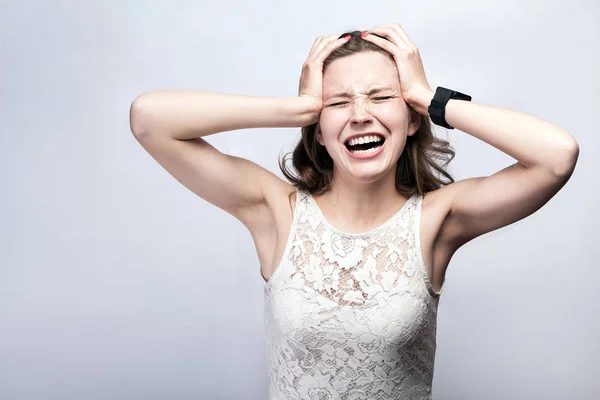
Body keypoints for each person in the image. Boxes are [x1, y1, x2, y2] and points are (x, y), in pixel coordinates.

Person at [129, 24, 579, 400]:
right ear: (320, 133)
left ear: (412, 119)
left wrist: (428, 95)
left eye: (382, 98)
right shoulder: (276, 211)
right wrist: (296, 108)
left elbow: (557, 156)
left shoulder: (439, 219)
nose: (361, 114)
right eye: (339, 102)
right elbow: (149, 118)